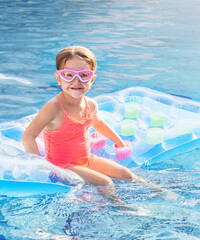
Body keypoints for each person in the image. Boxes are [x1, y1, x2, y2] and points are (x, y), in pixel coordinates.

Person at [22, 46, 163, 203]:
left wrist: (119, 142)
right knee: (106, 182)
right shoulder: (53, 108)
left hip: (86, 159)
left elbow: (98, 123)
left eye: (84, 75)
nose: (76, 81)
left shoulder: (90, 104)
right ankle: (125, 209)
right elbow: (28, 135)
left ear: (92, 79)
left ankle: (161, 192)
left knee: (127, 174)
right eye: (68, 75)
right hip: (62, 166)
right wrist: (40, 166)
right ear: (58, 78)